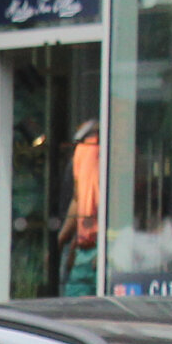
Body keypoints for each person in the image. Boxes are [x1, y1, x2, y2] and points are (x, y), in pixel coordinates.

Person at [58, 119, 100, 296]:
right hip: (85, 246)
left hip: (98, 246)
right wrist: (63, 239)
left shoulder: (114, 152)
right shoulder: (82, 153)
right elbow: (78, 200)